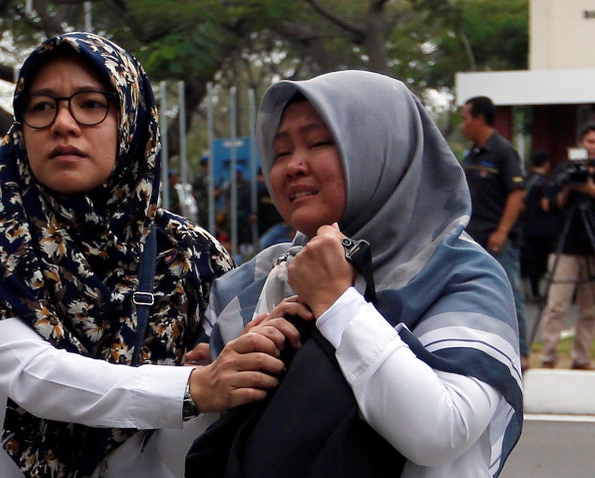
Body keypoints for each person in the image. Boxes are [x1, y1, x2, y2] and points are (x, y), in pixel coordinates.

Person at [0, 32, 287, 478]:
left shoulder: (188, 254)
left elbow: (202, 435)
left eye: (89, 104)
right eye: (42, 106)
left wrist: (216, 376)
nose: (64, 123)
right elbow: (33, 375)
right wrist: (193, 387)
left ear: (131, 120)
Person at [189, 71, 523, 477]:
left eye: (319, 143)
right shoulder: (254, 281)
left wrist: (336, 302)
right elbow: (190, 455)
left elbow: (440, 430)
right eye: (278, 152)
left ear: (383, 150)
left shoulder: (458, 273)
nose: (293, 166)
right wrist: (211, 385)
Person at [460, 96, 530, 371]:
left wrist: (502, 231)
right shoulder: (472, 154)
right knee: (474, 294)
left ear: (480, 119)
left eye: (466, 118)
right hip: (473, 239)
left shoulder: (503, 150)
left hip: (497, 241)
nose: (463, 125)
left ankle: (522, 352)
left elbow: (517, 193)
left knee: (510, 293)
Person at [538, 123, 595, 370]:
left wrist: (588, 188)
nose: (593, 147)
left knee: (589, 308)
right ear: (581, 143)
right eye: (590, 142)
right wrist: (568, 187)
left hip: (592, 246)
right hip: (566, 244)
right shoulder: (565, 169)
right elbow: (549, 204)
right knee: (557, 303)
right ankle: (548, 355)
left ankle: (581, 358)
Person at [520, 151, 558, 304]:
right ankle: (544, 294)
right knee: (544, 262)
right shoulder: (544, 183)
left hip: (528, 226)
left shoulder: (526, 181)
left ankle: (533, 292)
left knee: (532, 261)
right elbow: (546, 205)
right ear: (546, 164)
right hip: (545, 229)